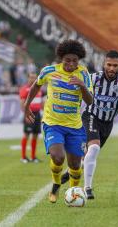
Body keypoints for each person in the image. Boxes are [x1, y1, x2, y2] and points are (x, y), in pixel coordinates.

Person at [61, 50, 118, 199]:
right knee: (94, 147)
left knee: (90, 154)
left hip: (107, 123)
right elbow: (78, 93)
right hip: (91, 116)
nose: (111, 68)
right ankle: (88, 188)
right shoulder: (94, 78)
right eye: (109, 65)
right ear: (104, 64)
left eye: (115, 66)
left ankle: (70, 172)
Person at [23, 40, 93, 203]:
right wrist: (27, 106)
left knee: (75, 165)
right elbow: (35, 86)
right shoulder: (49, 71)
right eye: (67, 60)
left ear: (79, 60)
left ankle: (73, 192)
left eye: (75, 60)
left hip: (75, 126)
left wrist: (82, 86)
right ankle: (56, 184)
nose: (71, 64)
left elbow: (89, 101)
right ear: (61, 58)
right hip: (53, 124)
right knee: (58, 157)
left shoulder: (83, 74)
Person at [19, 73, 42, 163]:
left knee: (35, 135)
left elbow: (41, 101)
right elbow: (22, 102)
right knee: (27, 134)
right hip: (29, 114)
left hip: (37, 114)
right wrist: (25, 114)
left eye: (34, 78)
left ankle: (33, 157)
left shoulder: (38, 88)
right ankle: (23, 157)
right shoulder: (25, 89)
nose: (33, 79)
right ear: (28, 78)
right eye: (31, 77)